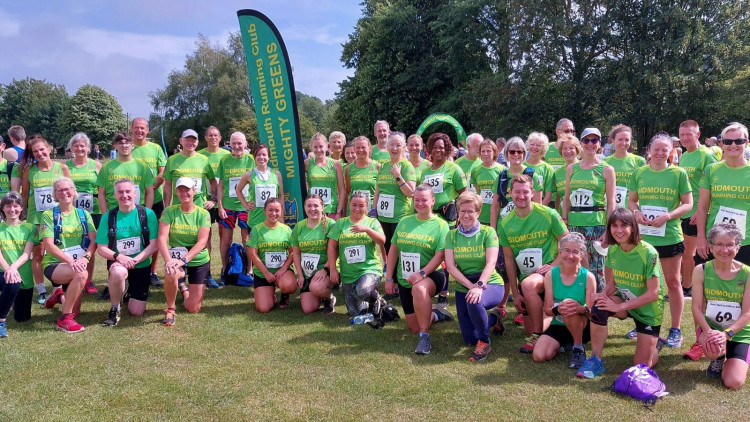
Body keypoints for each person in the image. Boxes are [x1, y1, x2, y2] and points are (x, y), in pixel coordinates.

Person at [577, 208, 666, 379]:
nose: (619, 230)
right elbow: (613, 282)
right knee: (599, 307)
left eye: (624, 225)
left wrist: (619, 305)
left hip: (648, 310)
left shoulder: (648, 253)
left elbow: (653, 294)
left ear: (633, 227)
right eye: (614, 226)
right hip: (625, 301)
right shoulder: (614, 250)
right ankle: (595, 359)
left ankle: (656, 345)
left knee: (640, 368)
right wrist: (602, 295)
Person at [628, 132, 692, 347]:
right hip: (644, 237)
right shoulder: (639, 173)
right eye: (656, 148)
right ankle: (642, 325)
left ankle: (675, 329)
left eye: (665, 149)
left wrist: (668, 216)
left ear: (671, 151)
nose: (660, 153)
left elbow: (688, 204)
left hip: (670, 236)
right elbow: (631, 200)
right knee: (642, 283)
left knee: (673, 283)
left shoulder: (678, 173)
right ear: (649, 150)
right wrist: (636, 214)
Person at [497, 175, 568, 351]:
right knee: (528, 328)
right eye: (517, 192)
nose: (521, 196)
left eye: (525, 192)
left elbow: (568, 242)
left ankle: (537, 337)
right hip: (527, 277)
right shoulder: (505, 223)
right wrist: (515, 292)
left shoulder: (548, 213)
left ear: (533, 193)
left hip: (550, 272)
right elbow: (508, 260)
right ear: (510, 193)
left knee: (528, 286)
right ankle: (551, 322)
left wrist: (553, 264)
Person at [386, 184, 452, 355]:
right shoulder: (404, 222)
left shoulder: (441, 225)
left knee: (419, 288)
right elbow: (393, 250)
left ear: (432, 201)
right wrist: (388, 278)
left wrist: (422, 273)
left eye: (424, 200)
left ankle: (425, 336)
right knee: (413, 327)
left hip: (431, 274)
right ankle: (436, 314)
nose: (420, 203)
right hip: (405, 278)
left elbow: (440, 255)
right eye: (417, 200)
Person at [445, 191, 505, 361]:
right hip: (465, 283)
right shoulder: (451, 235)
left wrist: (478, 286)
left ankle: (485, 342)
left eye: (470, 211)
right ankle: (494, 318)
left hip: (489, 282)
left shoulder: (488, 232)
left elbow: (491, 263)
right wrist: (470, 286)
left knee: (475, 300)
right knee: (469, 339)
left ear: (478, 212)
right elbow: (450, 266)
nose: (466, 215)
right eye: (462, 211)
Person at [679, 120, 720, 360]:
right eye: (682, 134)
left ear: (698, 134)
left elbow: (711, 186)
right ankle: (688, 288)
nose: (685, 138)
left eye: (689, 134)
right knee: (686, 253)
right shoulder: (684, 156)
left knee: (693, 255)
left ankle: (691, 289)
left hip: (698, 216)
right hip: (684, 213)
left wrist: (700, 211)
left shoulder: (706, 156)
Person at [691, 223, 750, 388]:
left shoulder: (747, 273)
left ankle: (733, 356)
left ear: (738, 247)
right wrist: (709, 332)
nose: (725, 250)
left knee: (734, 382)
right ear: (710, 246)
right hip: (711, 327)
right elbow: (696, 307)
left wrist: (727, 334)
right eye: (719, 244)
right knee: (713, 350)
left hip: (739, 331)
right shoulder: (701, 270)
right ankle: (717, 358)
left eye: (730, 245)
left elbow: (747, 312)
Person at [95, 179, 159, 326]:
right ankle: (115, 307)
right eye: (120, 192)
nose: (124, 195)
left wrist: (135, 260)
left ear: (135, 193)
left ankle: (129, 292)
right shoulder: (108, 217)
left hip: (141, 263)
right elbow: (101, 248)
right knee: (118, 273)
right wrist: (120, 257)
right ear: (115, 195)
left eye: (128, 191)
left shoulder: (147, 214)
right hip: (118, 261)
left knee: (136, 312)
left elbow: (154, 245)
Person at [17, 135, 71, 305]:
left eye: (42, 149)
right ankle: (41, 290)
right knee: (38, 254)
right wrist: (20, 215)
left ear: (49, 149)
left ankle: (58, 287)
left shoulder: (62, 168)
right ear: (32, 154)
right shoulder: (29, 170)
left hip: (58, 217)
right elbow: (24, 194)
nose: (40, 153)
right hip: (37, 218)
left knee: (60, 252)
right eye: (35, 151)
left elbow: (70, 192)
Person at [39, 177, 97, 333]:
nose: (65, 192)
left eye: (68, 189)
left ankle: (58, 296)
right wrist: (72, 262)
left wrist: (85, 258)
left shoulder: (83, 213)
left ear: (74, 191)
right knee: (82, 273)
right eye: (60, 190)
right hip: (55, 264)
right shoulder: (48, 214)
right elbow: (49, 245)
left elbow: (93, 241)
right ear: (55, 194)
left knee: (75, 310)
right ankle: (64, 320)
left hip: (77, 264)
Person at [563, 127, 616, 292]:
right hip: (575, 224)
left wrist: (608, 229)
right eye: (586, 140)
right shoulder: (572, 168)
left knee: (596, 268)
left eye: (594, 140)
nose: (590, 144)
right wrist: (564, 221)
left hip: (596, 224)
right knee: (575, 265)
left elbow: (611, 202)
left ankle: (597, 307)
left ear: (599, 143)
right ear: (581, 143)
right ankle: (579, 301)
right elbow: (566, 198)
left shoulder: (607, 169)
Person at [532, 232, 596, 369]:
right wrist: (557, 310)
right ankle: (565, 344)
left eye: (575, 252)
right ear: (560, 253)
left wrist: (580, 309)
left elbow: (593, 313)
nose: (570, 256)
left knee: (569, 305)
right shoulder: (551, 275)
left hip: (582, 325)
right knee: (539, 356)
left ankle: (578, 347)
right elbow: (548, 311)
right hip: (559, 324)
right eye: (566, 251)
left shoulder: (588, 277)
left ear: (581, 255)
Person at [158, 178, 212, 325]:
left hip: (198, 260)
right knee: (170, 272)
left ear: (194, 191)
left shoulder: (203, 214)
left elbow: (202, 242)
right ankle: (171, 309)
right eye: (180, 190)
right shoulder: (169, 211)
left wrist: (183, 260)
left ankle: (183, 288)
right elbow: (161, 239)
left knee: (193, 308)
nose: (184, 193)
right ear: (176, 192)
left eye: (187, 189)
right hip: (176, 260)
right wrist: (169, 260)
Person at [696, 122, 750, 267]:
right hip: (714, 240)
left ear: (747, 143)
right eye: (728, 141)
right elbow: (702, 206)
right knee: (709, 286)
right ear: (721, 144)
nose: (733, 145)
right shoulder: (711, 170)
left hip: (745, 241)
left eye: (739, 141)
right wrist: (701, 237)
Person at [327, 191, 386, 320]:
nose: (357, 209)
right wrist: (333, 269)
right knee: (356, 313)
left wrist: (367, 230)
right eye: (354, 205)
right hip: (348, 274)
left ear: (366, 207)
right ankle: (368, 300)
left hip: (369, 269)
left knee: (364, 290)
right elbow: (332, 246)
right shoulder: (341, 223)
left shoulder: (372, 222)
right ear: (349, 205)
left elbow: (382, 241)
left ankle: (376, 300)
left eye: (361, 205)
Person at [130, 117, 168, 287]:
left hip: (156, 199)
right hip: (131, 203)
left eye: (143, 128)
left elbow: (163, 171)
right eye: (136, 128)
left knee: (155, 236)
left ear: (147, 130)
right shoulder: (127, 148)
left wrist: (151, 187)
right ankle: (131, 269)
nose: (140, 131)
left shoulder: (155, 148)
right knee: (132, 235)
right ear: (131, 129)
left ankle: (152, 271)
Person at [66, 133, 102, 295]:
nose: (80, 148)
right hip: (71, 210)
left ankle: (89, 280)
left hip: (93, 209)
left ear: (88, 148)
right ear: (71, 148)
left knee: (90, 244)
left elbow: (102, 189)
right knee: (72, 242)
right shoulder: (66, 166)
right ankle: (71, 277)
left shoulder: (96, 165)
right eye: (76, 146)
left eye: (83, 146)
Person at [217, 132, 255, 283]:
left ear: (246, 144)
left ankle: (250, 270)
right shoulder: (224, 160)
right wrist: (220, 205)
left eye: (240, 143)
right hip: (228, 205)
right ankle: (225, 269)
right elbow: (220, 184)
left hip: (246, 205)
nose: (237, 146)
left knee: (247, 238)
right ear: (229, 144)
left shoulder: (251, 159)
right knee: (226, 238)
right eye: (234, 143)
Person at [247, 197, 296, 312]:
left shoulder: (287, 230)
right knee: (263, 308)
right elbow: (253, 254)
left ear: (281, 212)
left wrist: (283, 269)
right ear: (264, 211)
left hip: (282, 272)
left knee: (289, 285)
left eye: (277, 210)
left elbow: (293, 252)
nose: (274, 213)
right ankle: (270, 293)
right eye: (270, 210)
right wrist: (266, 273)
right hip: (263, 273)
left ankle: (284, 293)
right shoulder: (257, 229)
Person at [291, 195, 336, 314]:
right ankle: (318, 292)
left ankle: (329, 298)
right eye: (309, 205)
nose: (312, 209)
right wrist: (300, 275)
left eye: (316, 205)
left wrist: (325, 269)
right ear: (304, 207)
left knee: (316, 288)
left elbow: (335, 250)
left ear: (322, 207)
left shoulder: (331, 224)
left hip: (327, 269)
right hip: (307, 273)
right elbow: (295, 253)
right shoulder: (299, 226)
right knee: (308, 308)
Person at [198, 126, 231, 288]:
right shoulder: (200, 155)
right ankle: (207, 273)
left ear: (220, 137)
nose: (213, 138)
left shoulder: (227, 154)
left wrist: (219, 202)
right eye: (210, 135)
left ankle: (225, 272)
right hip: (206, 203)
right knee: (206, 238)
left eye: (216, 135)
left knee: (225, 237)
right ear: (205, 138)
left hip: (225, 203)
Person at [373, 133, 416, 255]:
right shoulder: (383, 166)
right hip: (383, 216)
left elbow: (410, 192)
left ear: (403, 147)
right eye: (391, 145)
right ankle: (391, 274)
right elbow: (378, 190)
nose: (394, 148)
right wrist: (374, 209)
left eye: (398, 145)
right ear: (387, 146)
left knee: (399, 250)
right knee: (387, 248)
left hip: (400, 216)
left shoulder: (407, 166)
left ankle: (399, 274)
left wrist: (398, 176)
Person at [0, 192, 35, 337]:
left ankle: (10, 300)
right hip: (3, 273)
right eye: (8, 206)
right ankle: (1, 321)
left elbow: (27, 254)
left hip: (24, 277)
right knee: (13, 282)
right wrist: (8, 269)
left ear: (21, 208)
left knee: (22, 318)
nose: (12, 210)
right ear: (2, 208)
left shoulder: (29, 228)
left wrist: (13, 267)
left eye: (16, 206)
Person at [490, 137, 543, 227]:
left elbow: (538, 206)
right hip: (504, 226)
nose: (516, 154)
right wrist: (493, 230)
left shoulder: (533, 176)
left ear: (524, 154)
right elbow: (495, 207)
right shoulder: (501, 177)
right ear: (507, 153)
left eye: (519, 152)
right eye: (512, 151)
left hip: (525, 226)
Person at [603, 124, 646, 209]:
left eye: (627, 140)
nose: (623, 143)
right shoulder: (605, 162)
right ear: (613, 140)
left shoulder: (639, 161)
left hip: (629, 210)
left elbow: (643, 187)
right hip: (610, 209)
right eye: (620, 139)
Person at [305, 133, 345, 219]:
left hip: (331, 210)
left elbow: (342, 190)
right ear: (311, 148)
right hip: (313, 210)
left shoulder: (336, 164)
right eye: (315, 147)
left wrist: (339, 212)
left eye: (321, 146)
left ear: (327, 146)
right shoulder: (307, 163)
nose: (318, 150)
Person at [468, 138, 504, 225]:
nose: (485, 154)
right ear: (480, 153)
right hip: (482, 214)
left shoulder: (502, 170)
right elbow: (477, 192)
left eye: (489, 151)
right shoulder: (475, 170)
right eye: (483, 151)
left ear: (495, 152)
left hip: (499, 214)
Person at [345, 135, 380, 214]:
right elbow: (347, 192)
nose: (360, 150)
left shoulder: (377, 166)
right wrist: (343, 213)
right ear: (354, 149)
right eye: (358, 147)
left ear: (370, 148)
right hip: (352, 212)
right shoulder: (349, 168)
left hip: (370, 213)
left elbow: (380, 192)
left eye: (363, 147)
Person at [524, 132, 556, 206]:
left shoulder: (548, 168)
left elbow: (548, 196)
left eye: (538, 145)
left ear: (543, 148)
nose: (534, 147)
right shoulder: (521, 166)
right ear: (528, 146)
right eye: (532, 144)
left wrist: (538, 210)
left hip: (541, 206)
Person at [551, 134, 580, 212]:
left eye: (571, 148)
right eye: (564, 148)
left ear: (577, 150)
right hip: (564, 218)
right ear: (561, 151)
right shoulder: (557, 173)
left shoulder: (585, 168)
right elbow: (557, 198)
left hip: (583, 217)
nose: (568, 151)